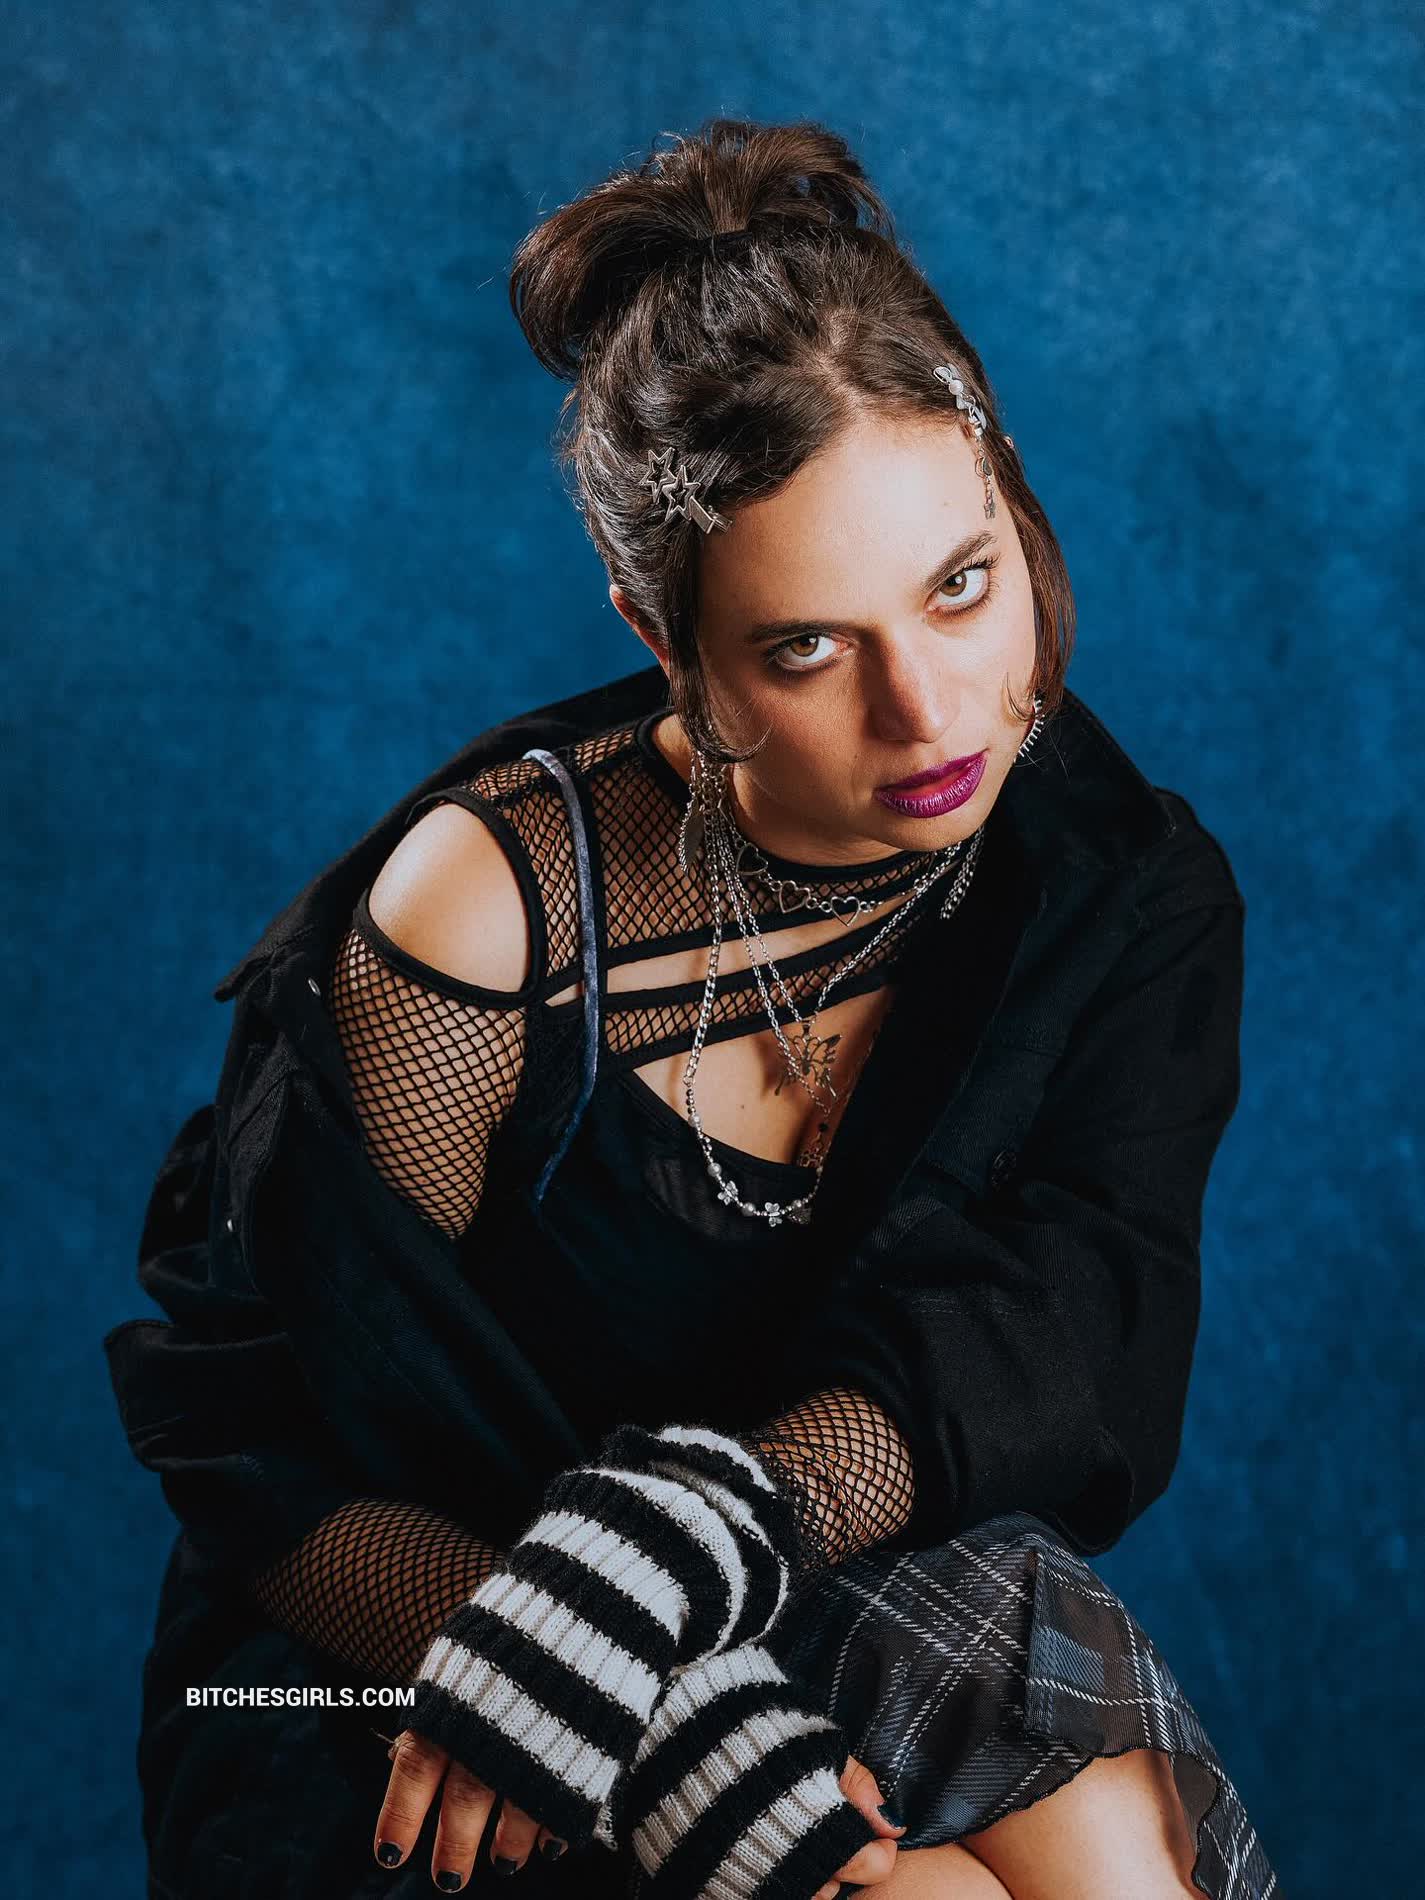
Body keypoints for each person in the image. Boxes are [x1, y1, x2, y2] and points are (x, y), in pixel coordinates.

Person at [103, 117, 1283, 1899]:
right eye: (806, 647)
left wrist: (699, 1535)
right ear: (664, 642)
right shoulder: (486, 916)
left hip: (774, 1584)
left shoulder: (1119, 890)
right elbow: (276, 1451)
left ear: (1007, 498)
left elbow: (1059, 1336)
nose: (930, 711)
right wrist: (643, 1702)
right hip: (387, 1666)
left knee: (1095, 1815)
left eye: (960, 586)